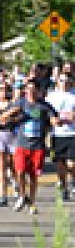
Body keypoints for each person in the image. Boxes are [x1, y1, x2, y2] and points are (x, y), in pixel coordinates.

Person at [1, 81, 56, 215]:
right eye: (28, 89)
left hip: (37, 146)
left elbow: (53, 118)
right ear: (25, 91)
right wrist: (13, 113)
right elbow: (3, 117)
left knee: (33, 176)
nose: (30, 92)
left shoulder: (44, 106)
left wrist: (54, 121)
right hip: (21, 144)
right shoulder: (19, 103)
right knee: (19, 171)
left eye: (33, 89)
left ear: (38, 91)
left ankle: (32, 202)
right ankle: (22, 195)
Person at [47, 70, 75, 203]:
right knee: (60, 164)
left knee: (72, 163)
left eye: (67, 81)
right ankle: (64, 188)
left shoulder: (73, 95)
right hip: (57, 134)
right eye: (62, 80)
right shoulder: (51, 96)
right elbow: (46, 112)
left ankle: (73, 181)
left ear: (71, 82)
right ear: (57, 82)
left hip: (72, 133)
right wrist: (52, 120)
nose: (64, 83)